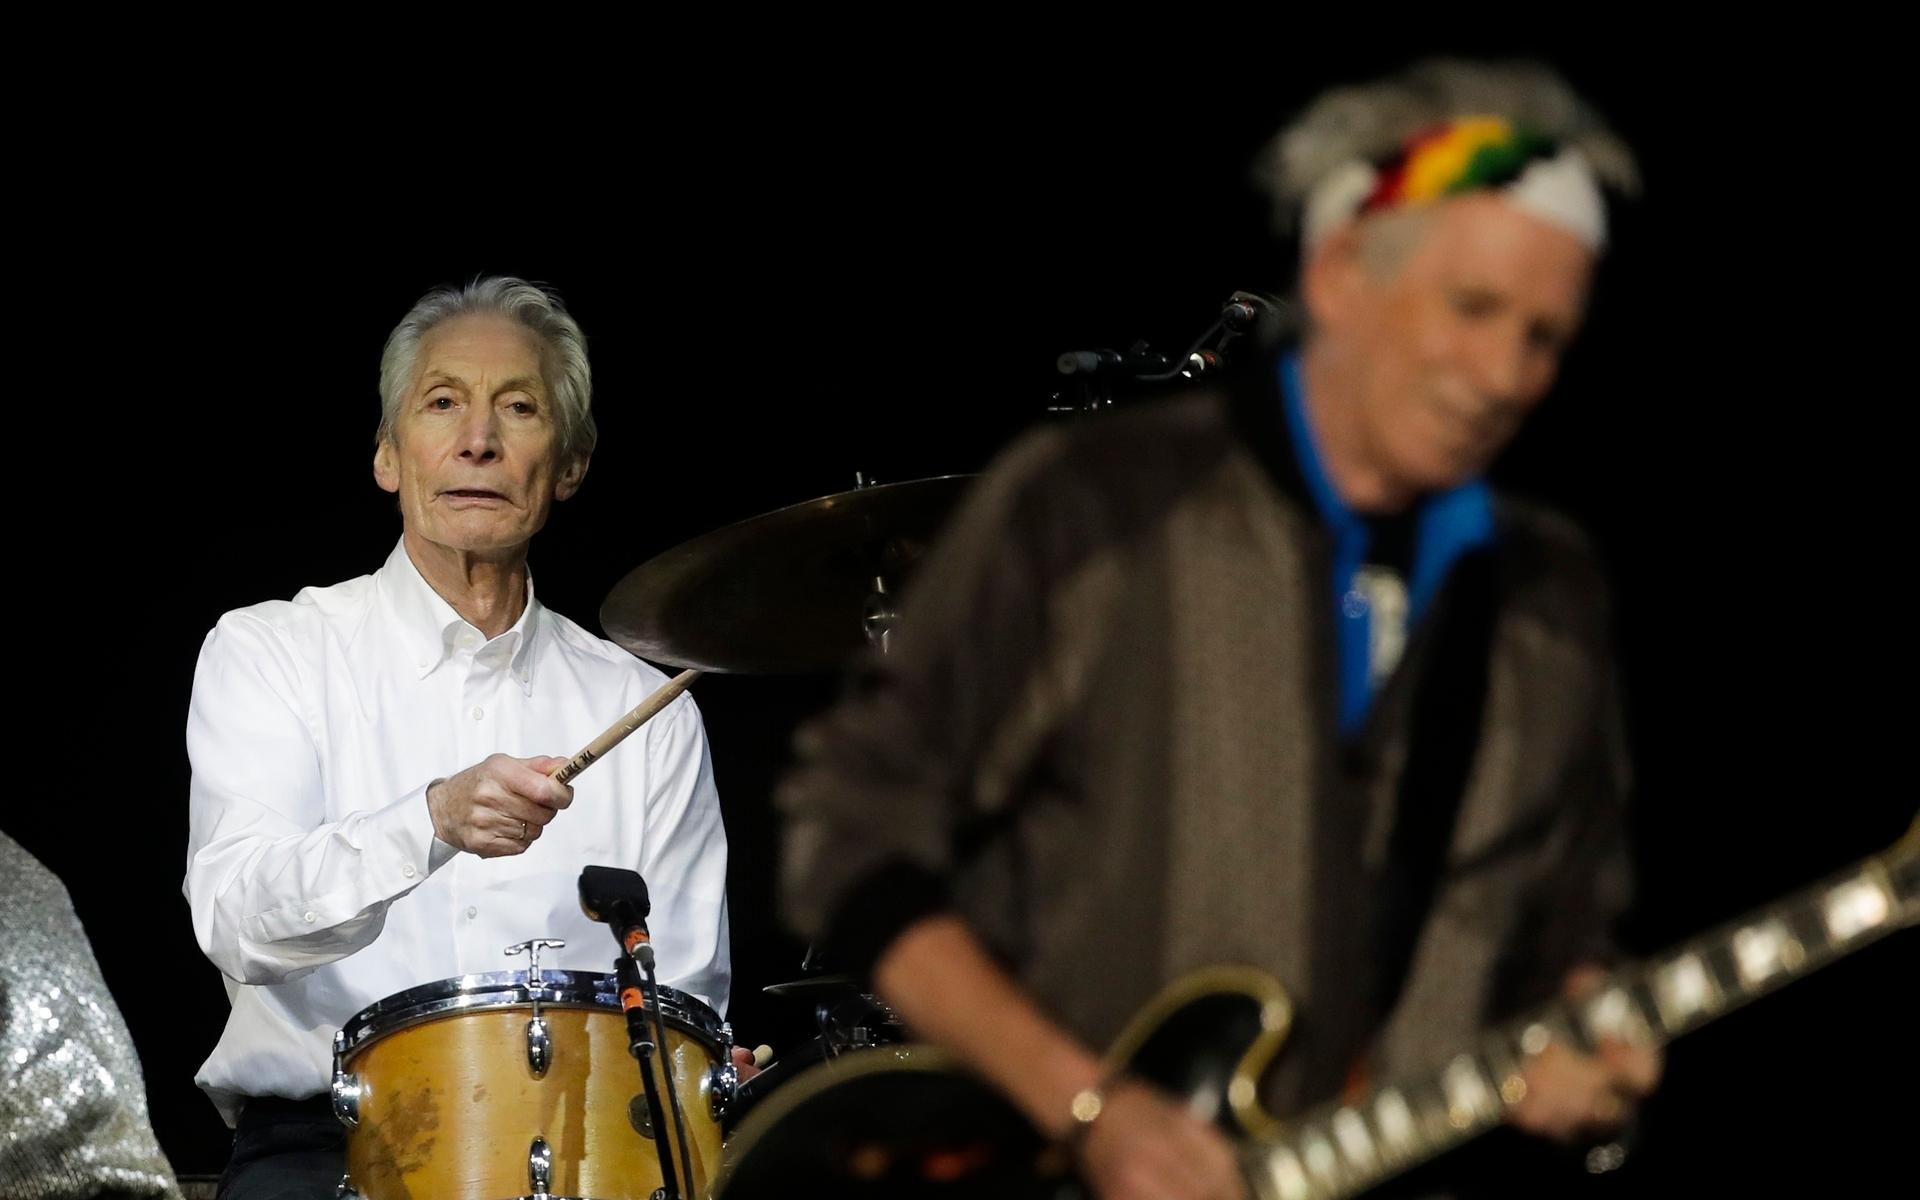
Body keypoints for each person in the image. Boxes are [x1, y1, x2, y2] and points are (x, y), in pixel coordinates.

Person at [779, 60, 1659, 1199]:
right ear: (1342, 274)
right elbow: (847, 834)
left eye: (1545, 336)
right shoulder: (1096, 506)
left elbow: (1563, 937)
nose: (1505, 375)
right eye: (1473, 309)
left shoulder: (1551, 593)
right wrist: (1088, 1108)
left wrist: (1587, 1057)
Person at [183, 277, 735, 1198]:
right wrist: (430, 820)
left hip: (589, 1144)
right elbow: (237, 920)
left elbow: (685, 1006)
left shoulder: (650, 708)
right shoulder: (271, 650)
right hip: (328, 1143)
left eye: (517, 408)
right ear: (389, 456)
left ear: (569, 465)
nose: (477, 439)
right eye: (443, 404)